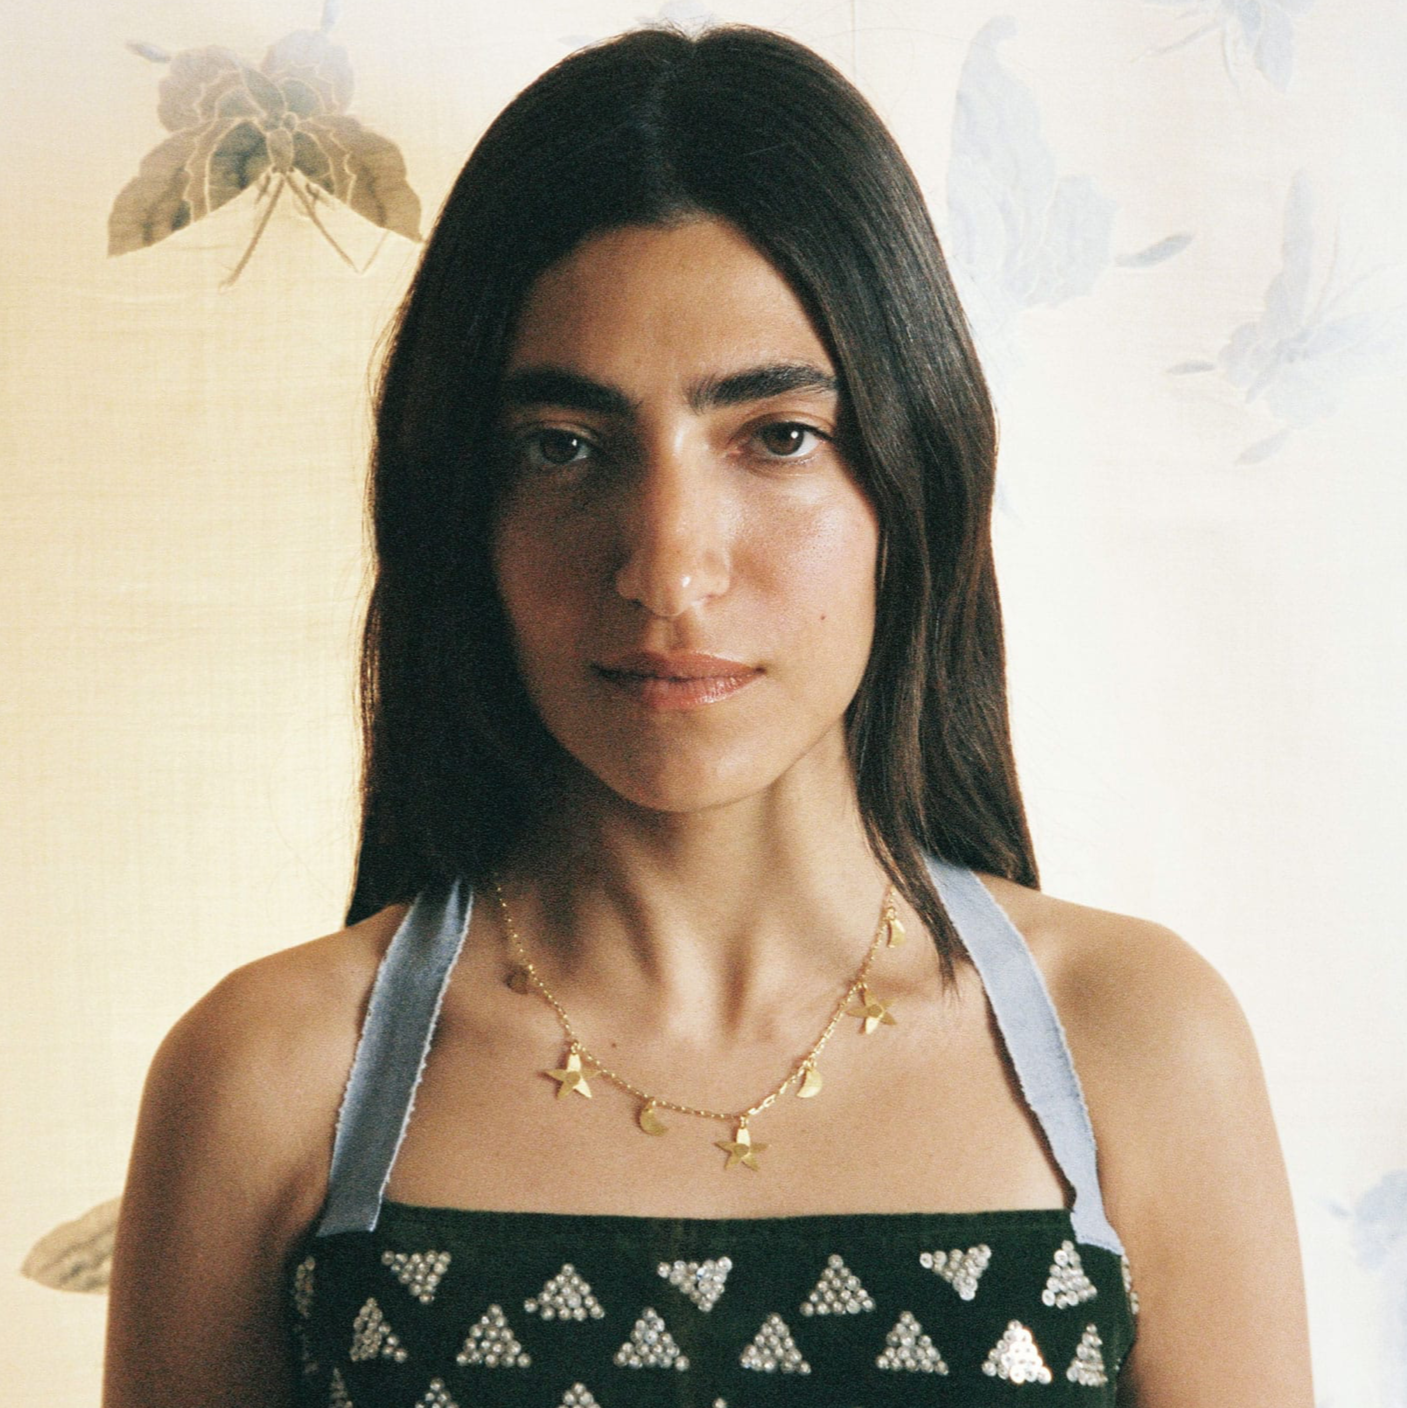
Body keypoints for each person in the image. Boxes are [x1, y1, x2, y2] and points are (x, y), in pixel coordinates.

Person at [103, 22, 1314, 1408]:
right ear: (464, 508)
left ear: (911, 477)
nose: (667, 570)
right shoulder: (270, 1080)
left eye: (777, 436)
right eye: (564, 448)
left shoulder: (1137, 1051)